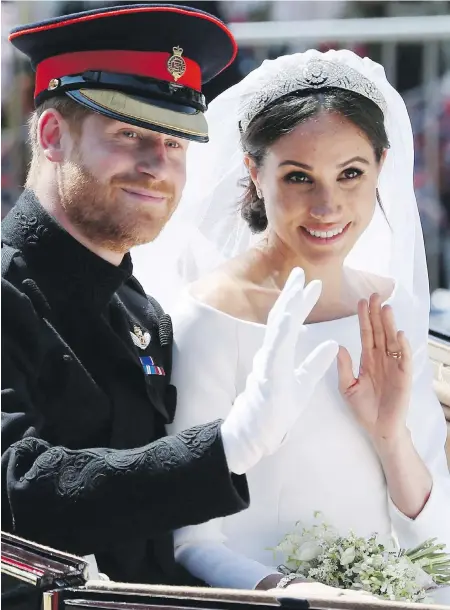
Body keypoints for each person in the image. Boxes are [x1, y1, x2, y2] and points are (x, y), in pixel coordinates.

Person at [1, 6, 339, 586]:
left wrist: (265, 585)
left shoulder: (142, 313)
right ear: (53, 137)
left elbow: (154, 540)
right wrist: (226, 448)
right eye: (130, 134)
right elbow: (19, 493)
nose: (159, 165)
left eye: (176, 143)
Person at [133, 50, 450, 597]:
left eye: (351, 173)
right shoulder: (209, 317)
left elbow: (434, 536)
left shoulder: (388, 304)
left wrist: (390, 435)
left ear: (381, 165)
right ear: (255, 173)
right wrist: (298, 595)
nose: (328, 206)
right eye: (299, 177)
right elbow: (191, 539)